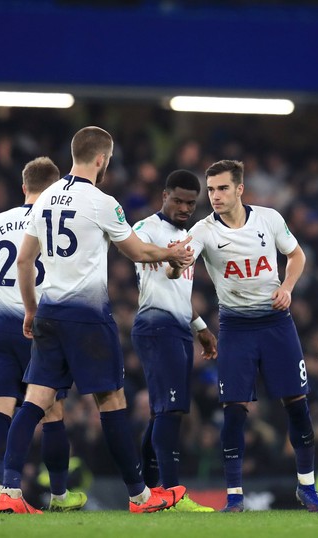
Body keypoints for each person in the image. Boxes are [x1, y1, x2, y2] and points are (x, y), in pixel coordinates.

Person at [0, 126, 194, 514]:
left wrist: (32, 309)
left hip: (48, 313)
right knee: (111, 400)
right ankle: (140, 496)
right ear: (102, 159)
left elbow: (24, 260)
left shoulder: (46, 196)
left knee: (34, 400)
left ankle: (9, 492)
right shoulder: (102, 201)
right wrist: (170, 255)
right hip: (87, 318)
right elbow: (136, 251)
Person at [169, 159, 318, 513]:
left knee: (297, 404)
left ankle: (307, 487)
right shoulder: (204, 230)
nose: (215, 196)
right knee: (235, 410)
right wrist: (172, 261)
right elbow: (179, 263)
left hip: (276, 323)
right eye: (210, 189)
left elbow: (296, 255)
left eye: (222, 188)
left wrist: (288, 286)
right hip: (236, 328)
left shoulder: (269, 219)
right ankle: (235, 496)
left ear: (240, 189)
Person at [0, 157, 86, 511]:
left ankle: (0, 489)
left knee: (0, 408)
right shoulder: (57, 223)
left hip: (0, 326)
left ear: (23, 186)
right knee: (51, 411)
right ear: (56, 188)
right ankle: (60, 495)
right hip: (42, 327)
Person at [131, 169, 218, 512]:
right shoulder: (145, 229)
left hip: (179, 327)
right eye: (177, 200)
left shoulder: (187, 236)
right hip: (155, 327)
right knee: (169, 410)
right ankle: (171, 493)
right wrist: (169, 255)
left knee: (163, 413)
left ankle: (148, 495)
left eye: (190, 203)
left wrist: (199, 326)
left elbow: (177, 290)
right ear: (163, 196)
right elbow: (136, 252)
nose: (184, 207)